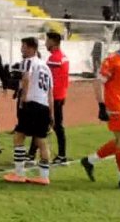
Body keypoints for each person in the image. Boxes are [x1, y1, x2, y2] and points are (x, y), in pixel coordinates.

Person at [81, 31, 120, 192]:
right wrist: (102, 106)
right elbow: (98, 82)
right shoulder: (112, 60)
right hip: (115, 106)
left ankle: (89, 161)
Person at [3, 37, 54, 185]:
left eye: (23, 47)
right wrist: (51, 114)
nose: (21, 49)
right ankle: (44, 176)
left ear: (32, 48)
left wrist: (23, 98)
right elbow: (50, 92)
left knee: (19, 137)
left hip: (31, 104)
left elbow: (26, 78)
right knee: (41, 141)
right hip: (43, 106)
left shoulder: (28, 61)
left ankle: (19, 173)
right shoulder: (46, 67)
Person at [28, 32, 70, 165]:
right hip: (61, 95)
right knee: (55, 126)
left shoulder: (54, 59)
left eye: (47, 41)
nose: (46, 43)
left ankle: (32, 155)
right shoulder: (64, 57)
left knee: (41, 125)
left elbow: (46, 78)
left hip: (52, 97)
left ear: (53, 42)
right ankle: (60, 155)